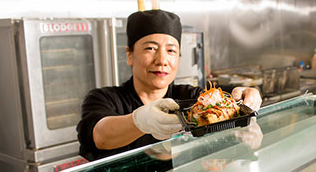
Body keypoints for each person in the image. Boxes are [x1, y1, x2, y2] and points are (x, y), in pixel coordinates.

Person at [77, 9, 262, 161]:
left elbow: (226, 104)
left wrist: (247, 95)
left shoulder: (190, 98)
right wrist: (141, 121)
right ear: (129, 55)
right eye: (150, 48)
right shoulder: (104, 99)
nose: (162, 60)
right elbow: (100, 136)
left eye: (171, 50)